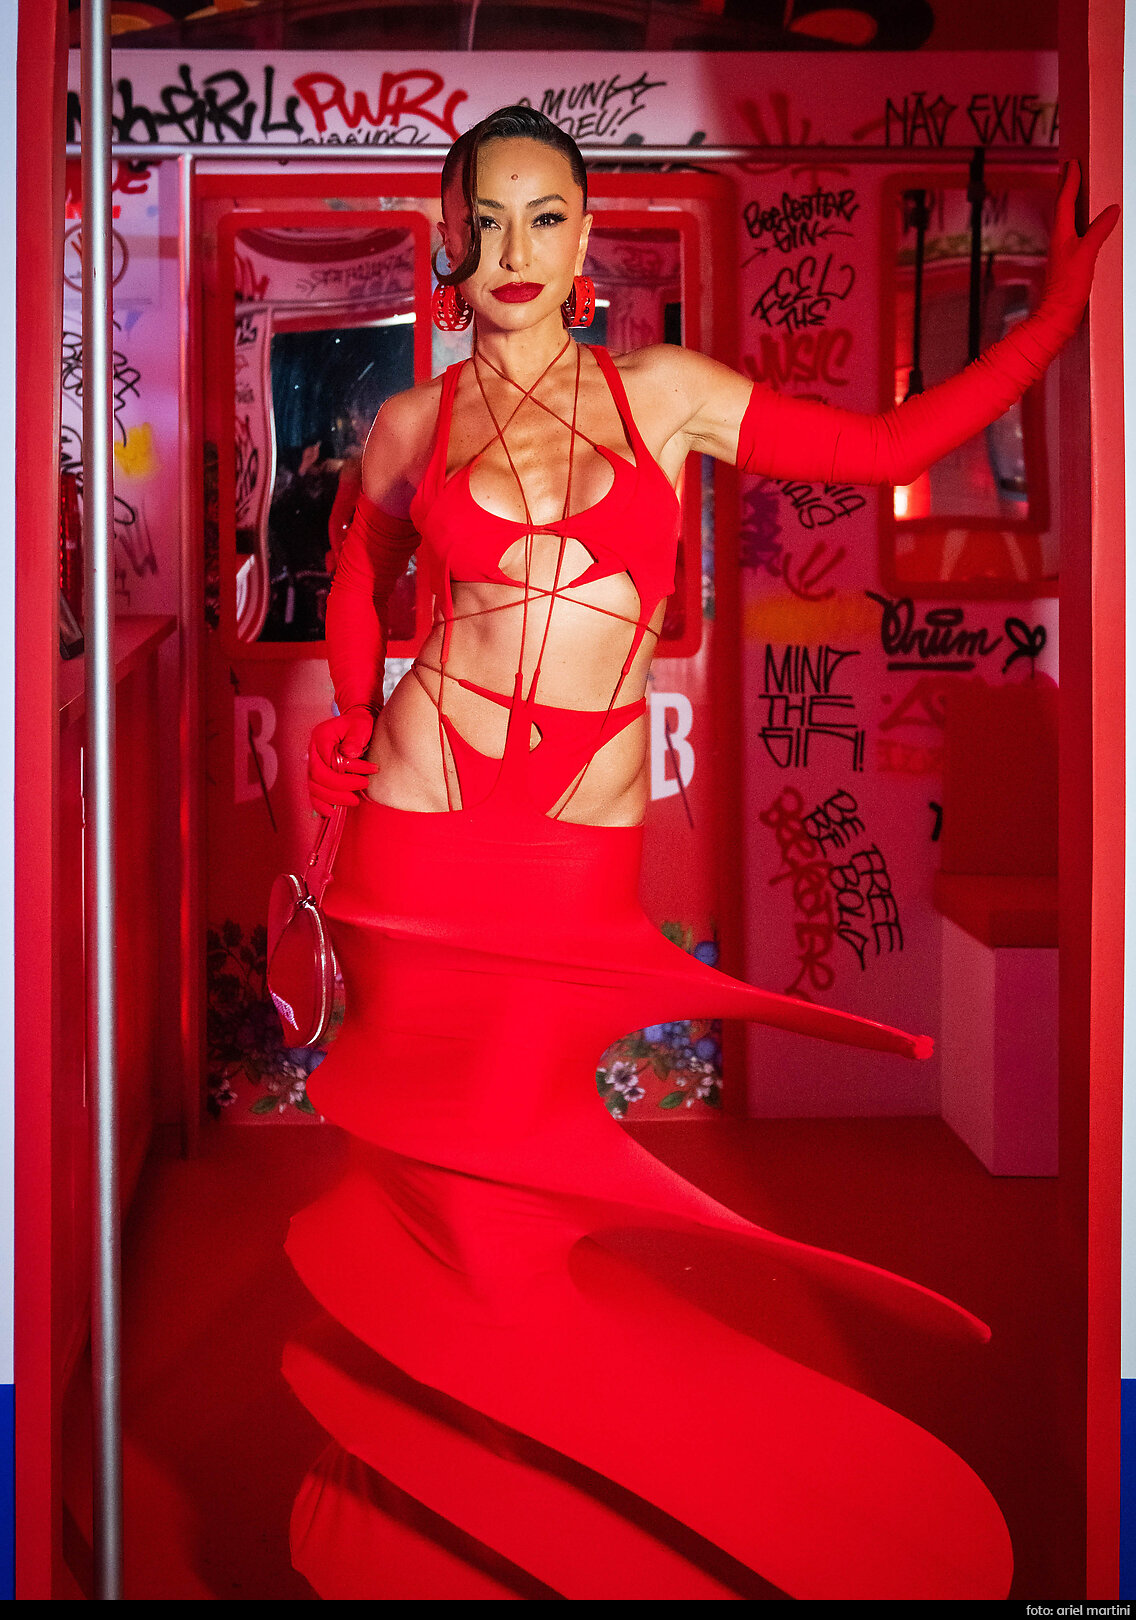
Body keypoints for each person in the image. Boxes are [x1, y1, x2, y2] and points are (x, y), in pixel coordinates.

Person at [283, 106, 1116, 1600]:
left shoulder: (662, 392)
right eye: (488, 219)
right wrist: (351, 709)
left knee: (518, 1172)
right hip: (422, 805)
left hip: (571, 835)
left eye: (546, 217)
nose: (515, 249)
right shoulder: (411, 422)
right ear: (452, 240)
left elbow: (881, 447)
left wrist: (1051, 315)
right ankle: (423, 1506)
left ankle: (517, 1490)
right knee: (427, 1170)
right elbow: (361, 567)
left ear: (587, 239)